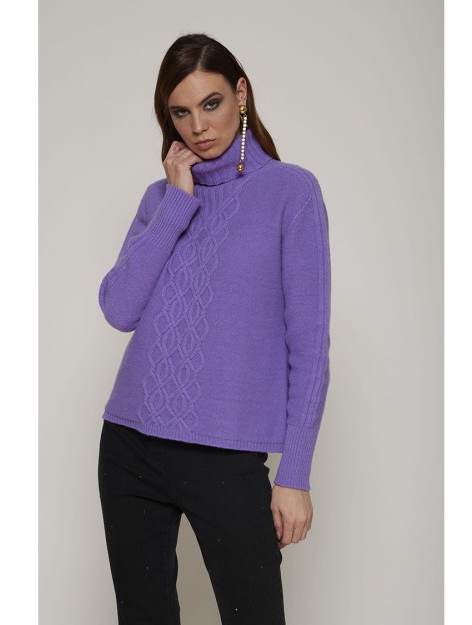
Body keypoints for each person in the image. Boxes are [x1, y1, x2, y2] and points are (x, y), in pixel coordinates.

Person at [97, 32, 331, 625]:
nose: (199, 126)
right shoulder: (161, 198)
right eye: (181, 112)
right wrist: (177, 204)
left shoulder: (290, 192)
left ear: (241, 95)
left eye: (212, 103)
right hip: (130, 446)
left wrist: (294, 475)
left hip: (226, 456)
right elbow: (119, 309)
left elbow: (309, 346)